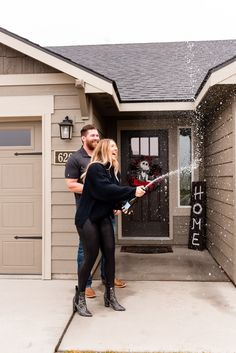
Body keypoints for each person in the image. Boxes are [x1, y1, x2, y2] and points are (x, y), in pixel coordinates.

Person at [73, 139, 146, 317]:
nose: (116, 149)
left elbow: (113, 194)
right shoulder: (95, 168)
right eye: (113, 146)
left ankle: (110, 295)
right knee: (91, 256)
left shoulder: (113, 171)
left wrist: (126, 204)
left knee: (109, 254)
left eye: (116, 146)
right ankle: (79, 297)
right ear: (104, 149)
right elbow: (104, 191)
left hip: (103, 216)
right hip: (88, 217)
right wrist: (131, 190)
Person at [65, 125, 126, 299]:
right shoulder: (76, 159)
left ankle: (109, 280)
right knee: (86, 250)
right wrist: (96, 189)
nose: (96, 138)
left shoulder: (105, 160)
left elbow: (112, 187)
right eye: (92, 135)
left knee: (108, 248)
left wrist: (116, 202)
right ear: (83, 138)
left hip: (106, 212)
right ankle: (86, 285)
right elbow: (71, 184)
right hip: (88, 215)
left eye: (97, 135)